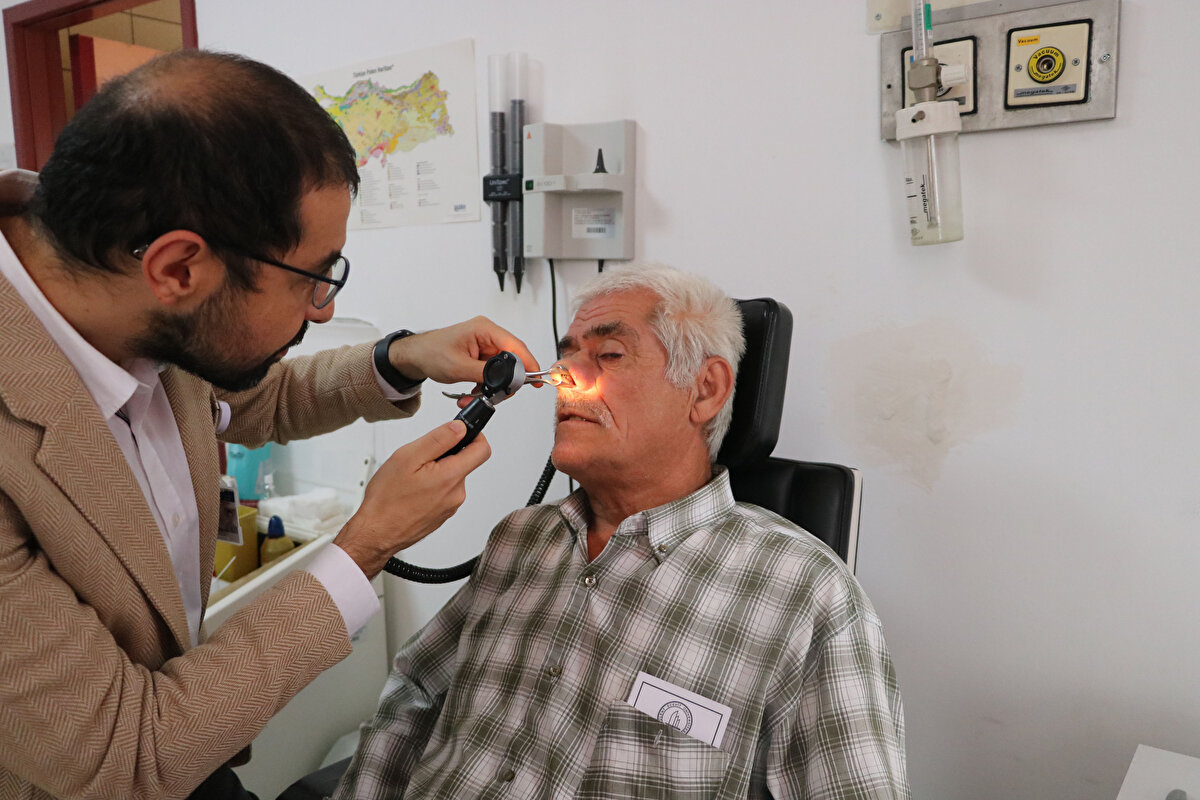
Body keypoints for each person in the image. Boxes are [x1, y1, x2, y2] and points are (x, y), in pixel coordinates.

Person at [0, 50, 539, 800]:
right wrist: (365, 546)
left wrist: (402, 358)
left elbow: (248, 397)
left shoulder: (118, 287)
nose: (322, 309)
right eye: (313, 278)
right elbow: (124, 758)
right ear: (179, 269)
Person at [335, 265, 909, 799]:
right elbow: (412, 697)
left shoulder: (808, 595)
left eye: (609, 354)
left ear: (706, 390)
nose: (566, 380)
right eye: (567, 359)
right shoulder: (519, 539)